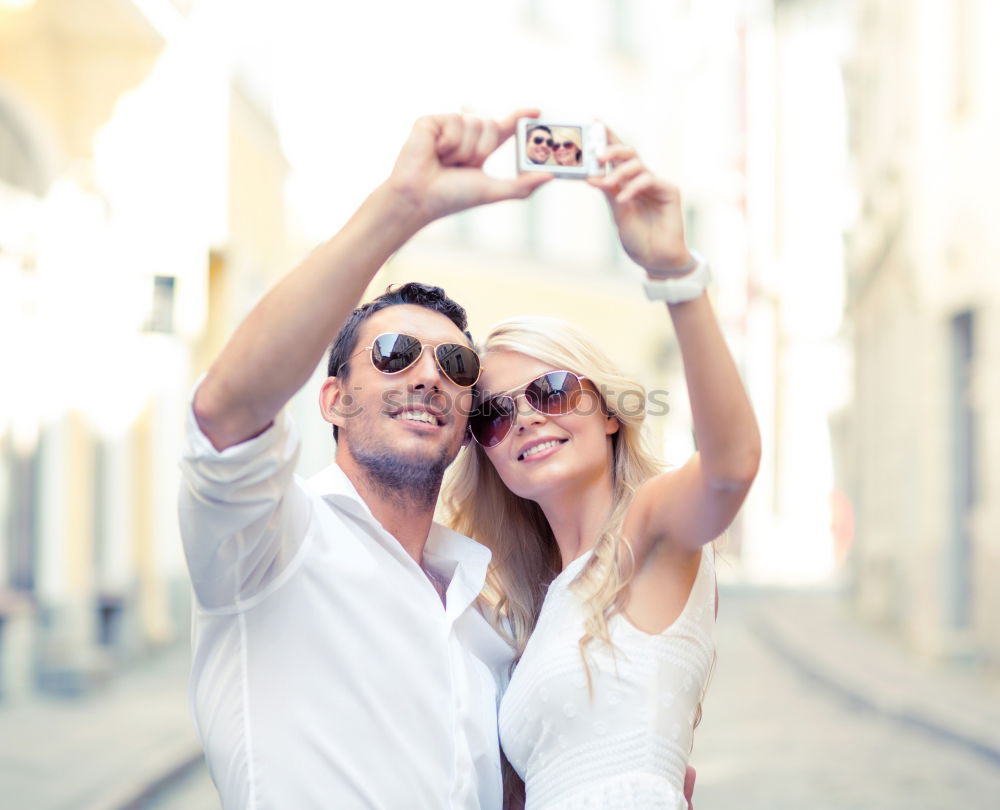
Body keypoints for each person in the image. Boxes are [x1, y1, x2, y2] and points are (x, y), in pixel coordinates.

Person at [177, 110, 553, 809]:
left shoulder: (483, 614)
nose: (428, 375)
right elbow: (225, 411)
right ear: (333, 401)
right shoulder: (270, 547)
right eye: (392, 354)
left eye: (455, 362)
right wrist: (399, 210)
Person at [444, 136, 761, 809]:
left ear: (610, 412)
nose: (526, 418)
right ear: (487, 454)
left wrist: (675, 274)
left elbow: (731, 468)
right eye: (494, 416)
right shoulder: (541, 610)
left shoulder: (650, 527)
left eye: (552, 391)